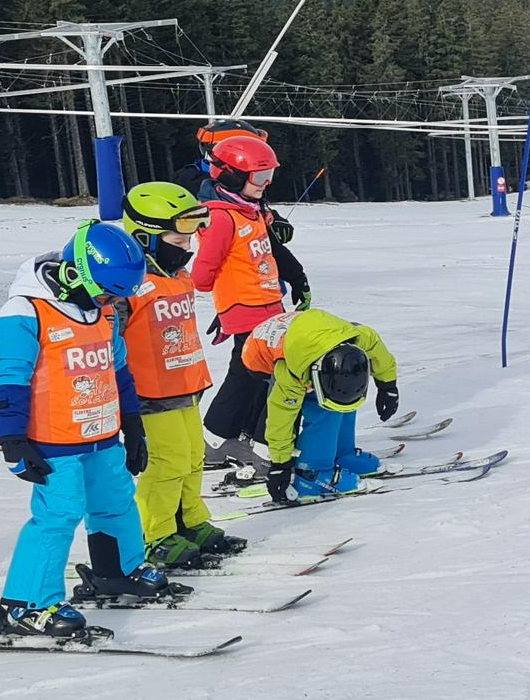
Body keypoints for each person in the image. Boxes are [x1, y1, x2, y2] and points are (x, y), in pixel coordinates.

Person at [0, 222, 176, 639]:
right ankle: (26, 604)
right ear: (77, 277)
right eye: (108, 293)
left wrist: (133, 423)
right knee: (57, 516)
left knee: (116, 502)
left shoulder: (102, 309)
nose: (112, 303)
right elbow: (8, 378)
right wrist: (13, 440)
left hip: (102, 433)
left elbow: (118, 367)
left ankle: (118, 571)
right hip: (53, 441)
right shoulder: (26, 311)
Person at [118, 184, 243, 571]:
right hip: (150, 394)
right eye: (178, 236)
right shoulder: (128, 284)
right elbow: (110, 338)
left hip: (186, 385)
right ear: (145, 236)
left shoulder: (177, 273)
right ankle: (154, 533)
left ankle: (189, 521)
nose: (187, 245)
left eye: (190, 236)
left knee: (192, 458)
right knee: (166, 464)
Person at [194, 133, 307, 471]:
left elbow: (268, 254)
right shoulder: (222, 218)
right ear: (230, 174)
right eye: (258, 177)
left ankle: (222, 439)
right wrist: (231, 295)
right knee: (263, 376)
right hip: (246, 311)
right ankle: (242, 443)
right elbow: (202, 275)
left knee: (249, 377)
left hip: (269, 308)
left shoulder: (251, 211)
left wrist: (295, 277)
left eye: (269, 176)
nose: (265, 184)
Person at [245, 308, 403, 504]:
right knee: (323, 409)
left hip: (308, 337)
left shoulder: (360, 338)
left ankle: (341, 453)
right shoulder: (292, 374)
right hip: (259, 355)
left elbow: (379, 351)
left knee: (342, 396)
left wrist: (387, 386)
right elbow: (280, 419)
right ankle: (312, 472)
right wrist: (280, 464)